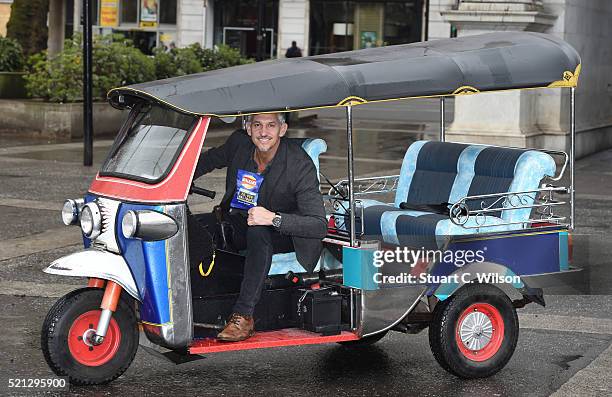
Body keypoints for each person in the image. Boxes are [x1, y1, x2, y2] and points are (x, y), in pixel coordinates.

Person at [193, 113, 327, 342]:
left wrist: (273, 218)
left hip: (288, 233)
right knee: (198, 226)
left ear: (282, 130)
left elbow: (318, 225)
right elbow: (207, 160)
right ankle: (190, 301)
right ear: (248, 128)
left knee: (258, 232)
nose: (263, 132)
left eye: (271, 125)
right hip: (244, 220)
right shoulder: (240, 144)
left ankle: (244, 315)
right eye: (257, 125)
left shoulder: (298, 164)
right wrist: (174, 180)